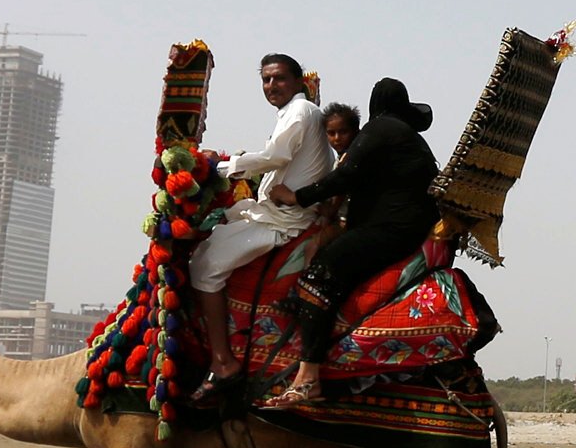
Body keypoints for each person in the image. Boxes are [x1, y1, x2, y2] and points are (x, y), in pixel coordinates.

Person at [262, 77, 441, 409]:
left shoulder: (381, 130)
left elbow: (344, 177)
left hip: (393, 228)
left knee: (318, 276)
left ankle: (308, 379)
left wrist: (295, 196)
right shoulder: (403, 135)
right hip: (402, 225)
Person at [185, 53, 328, 380]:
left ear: (297, 82)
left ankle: (223, 362)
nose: (271, 85)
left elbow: (274, 156)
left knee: (202, 267)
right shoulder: (296, 113)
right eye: (266, 79)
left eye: (279, 78)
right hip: (273, 213)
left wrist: (217, 168)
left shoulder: (301, 111)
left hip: (283, 222)